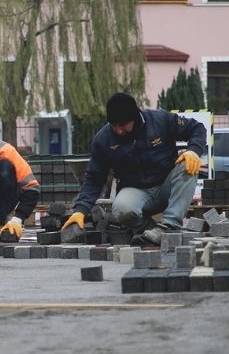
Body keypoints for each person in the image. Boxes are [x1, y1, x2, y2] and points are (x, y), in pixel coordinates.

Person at [62, 92, 207, 247]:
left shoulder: (160, 120)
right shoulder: (103, 140)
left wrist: (193, 151)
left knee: (188, 164)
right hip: (137, 191)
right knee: (121, 209)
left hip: (167, 186)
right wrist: (80, 210)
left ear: (135, 116)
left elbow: (197, 128)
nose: (118, 130)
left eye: (123, 125)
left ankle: (170, 225)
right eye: (114, 125)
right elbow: (94, 178)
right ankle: (151, 231)